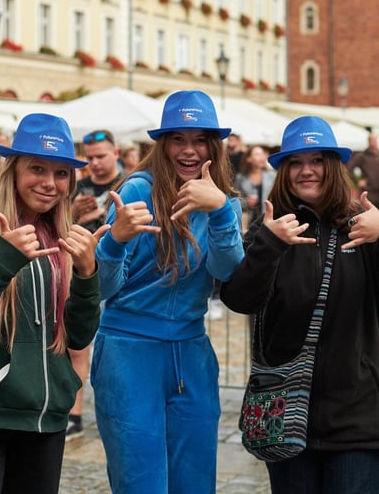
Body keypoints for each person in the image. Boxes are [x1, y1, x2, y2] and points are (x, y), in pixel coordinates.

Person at [220, 116, 379, 493]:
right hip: (284, 411)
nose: (307, 170)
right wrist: (269, 246)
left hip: (357, 415)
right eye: (296, 162)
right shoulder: (271, 228)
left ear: (334, 166)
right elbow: (239, 298)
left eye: (317, 160)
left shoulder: (361, 224)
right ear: (284, 171)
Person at [0, 113, 105, 493]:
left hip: (44, 420)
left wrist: (86, 274)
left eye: (61, 173)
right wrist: (3, 262)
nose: (50, 183)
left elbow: (78, 336)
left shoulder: (64, 238)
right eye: (37, 169)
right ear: (12, 170)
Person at [91, 89, 244, 493]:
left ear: (215, 146)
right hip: (128, 350)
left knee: (195, 482)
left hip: (191, 352)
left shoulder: (224, 201)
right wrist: (113, 242)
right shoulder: (137, 191)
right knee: (140, 482)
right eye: (178, 138)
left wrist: (220, 211)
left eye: (200, 140)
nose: (189, 150)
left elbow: (225, 271)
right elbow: (103, 287)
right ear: (162, 144)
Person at [66, 128, 121, 441]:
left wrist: (104, 216)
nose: (95, 163)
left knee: (111, 349)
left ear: (116, 153)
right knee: (77, 345)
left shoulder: (128, 184)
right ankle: (74, 414)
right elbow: (60, 224)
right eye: (90, 158)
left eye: (101, 156)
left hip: (115, 275)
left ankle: (114, 411)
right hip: (79, 271)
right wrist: (73, 213)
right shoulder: (78, 185)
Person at [235, 145, 276, 229]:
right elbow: (235, 200)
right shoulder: (240, 178)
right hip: (247, 222)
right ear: (249, 159)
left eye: (262, 154)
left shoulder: (272, 176)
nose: (261, 157)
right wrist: (246, 202)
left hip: (268, 220)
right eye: (257, 154)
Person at [347, 131, 379, 209]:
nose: (374, 143)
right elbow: (349, 168)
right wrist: (357, 181)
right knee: (369, 213)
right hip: (368, 192)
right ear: (369, 141)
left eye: (375, 140)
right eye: (372, 140)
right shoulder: (362, 156)